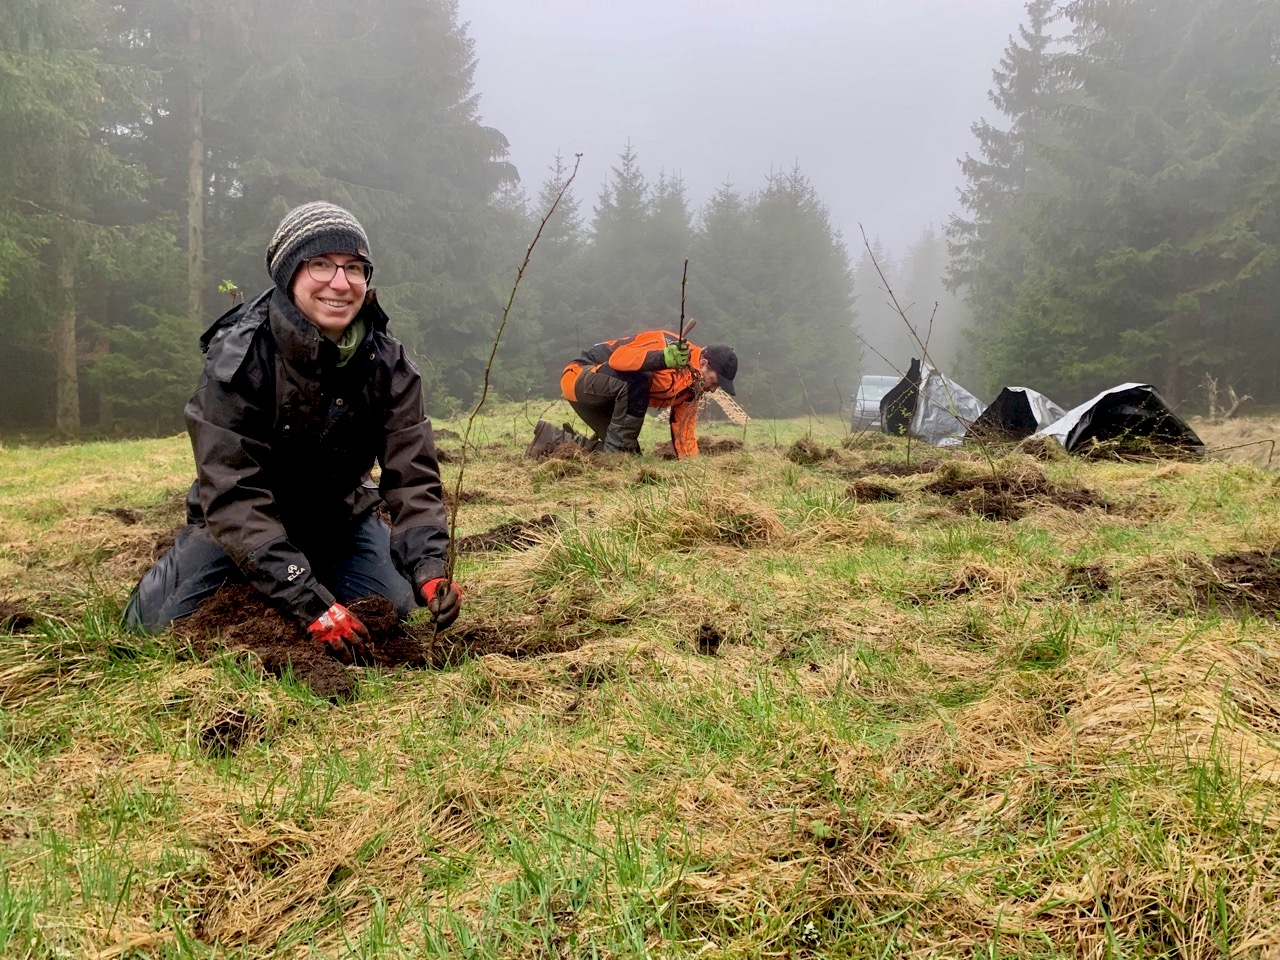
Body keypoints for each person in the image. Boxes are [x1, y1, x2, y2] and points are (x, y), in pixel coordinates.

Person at [124, 201, 461, 664]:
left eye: (354, 268)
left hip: (340, 519)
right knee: (153, 628)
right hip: (240, 528)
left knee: (393, 607)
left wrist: (428, 565)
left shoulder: (389, 363)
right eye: (320, 264)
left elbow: (414, 476)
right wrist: (305, 599)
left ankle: (318, 568)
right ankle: (260, 573)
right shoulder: (239, 356)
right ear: (289, 274)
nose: (339, 283)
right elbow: (231, 492)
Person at [526, 328, 737, 460]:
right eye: (715, 382)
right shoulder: (665, 344)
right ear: (703, 364)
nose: (713, 390)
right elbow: (619, 359)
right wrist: (662, 359)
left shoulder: (693, 387)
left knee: (628, 460)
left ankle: (551, 439)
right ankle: (617, 454)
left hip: (612, 397)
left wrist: (692, 466)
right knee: (638, 380)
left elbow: (684, 430)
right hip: (580, 377)